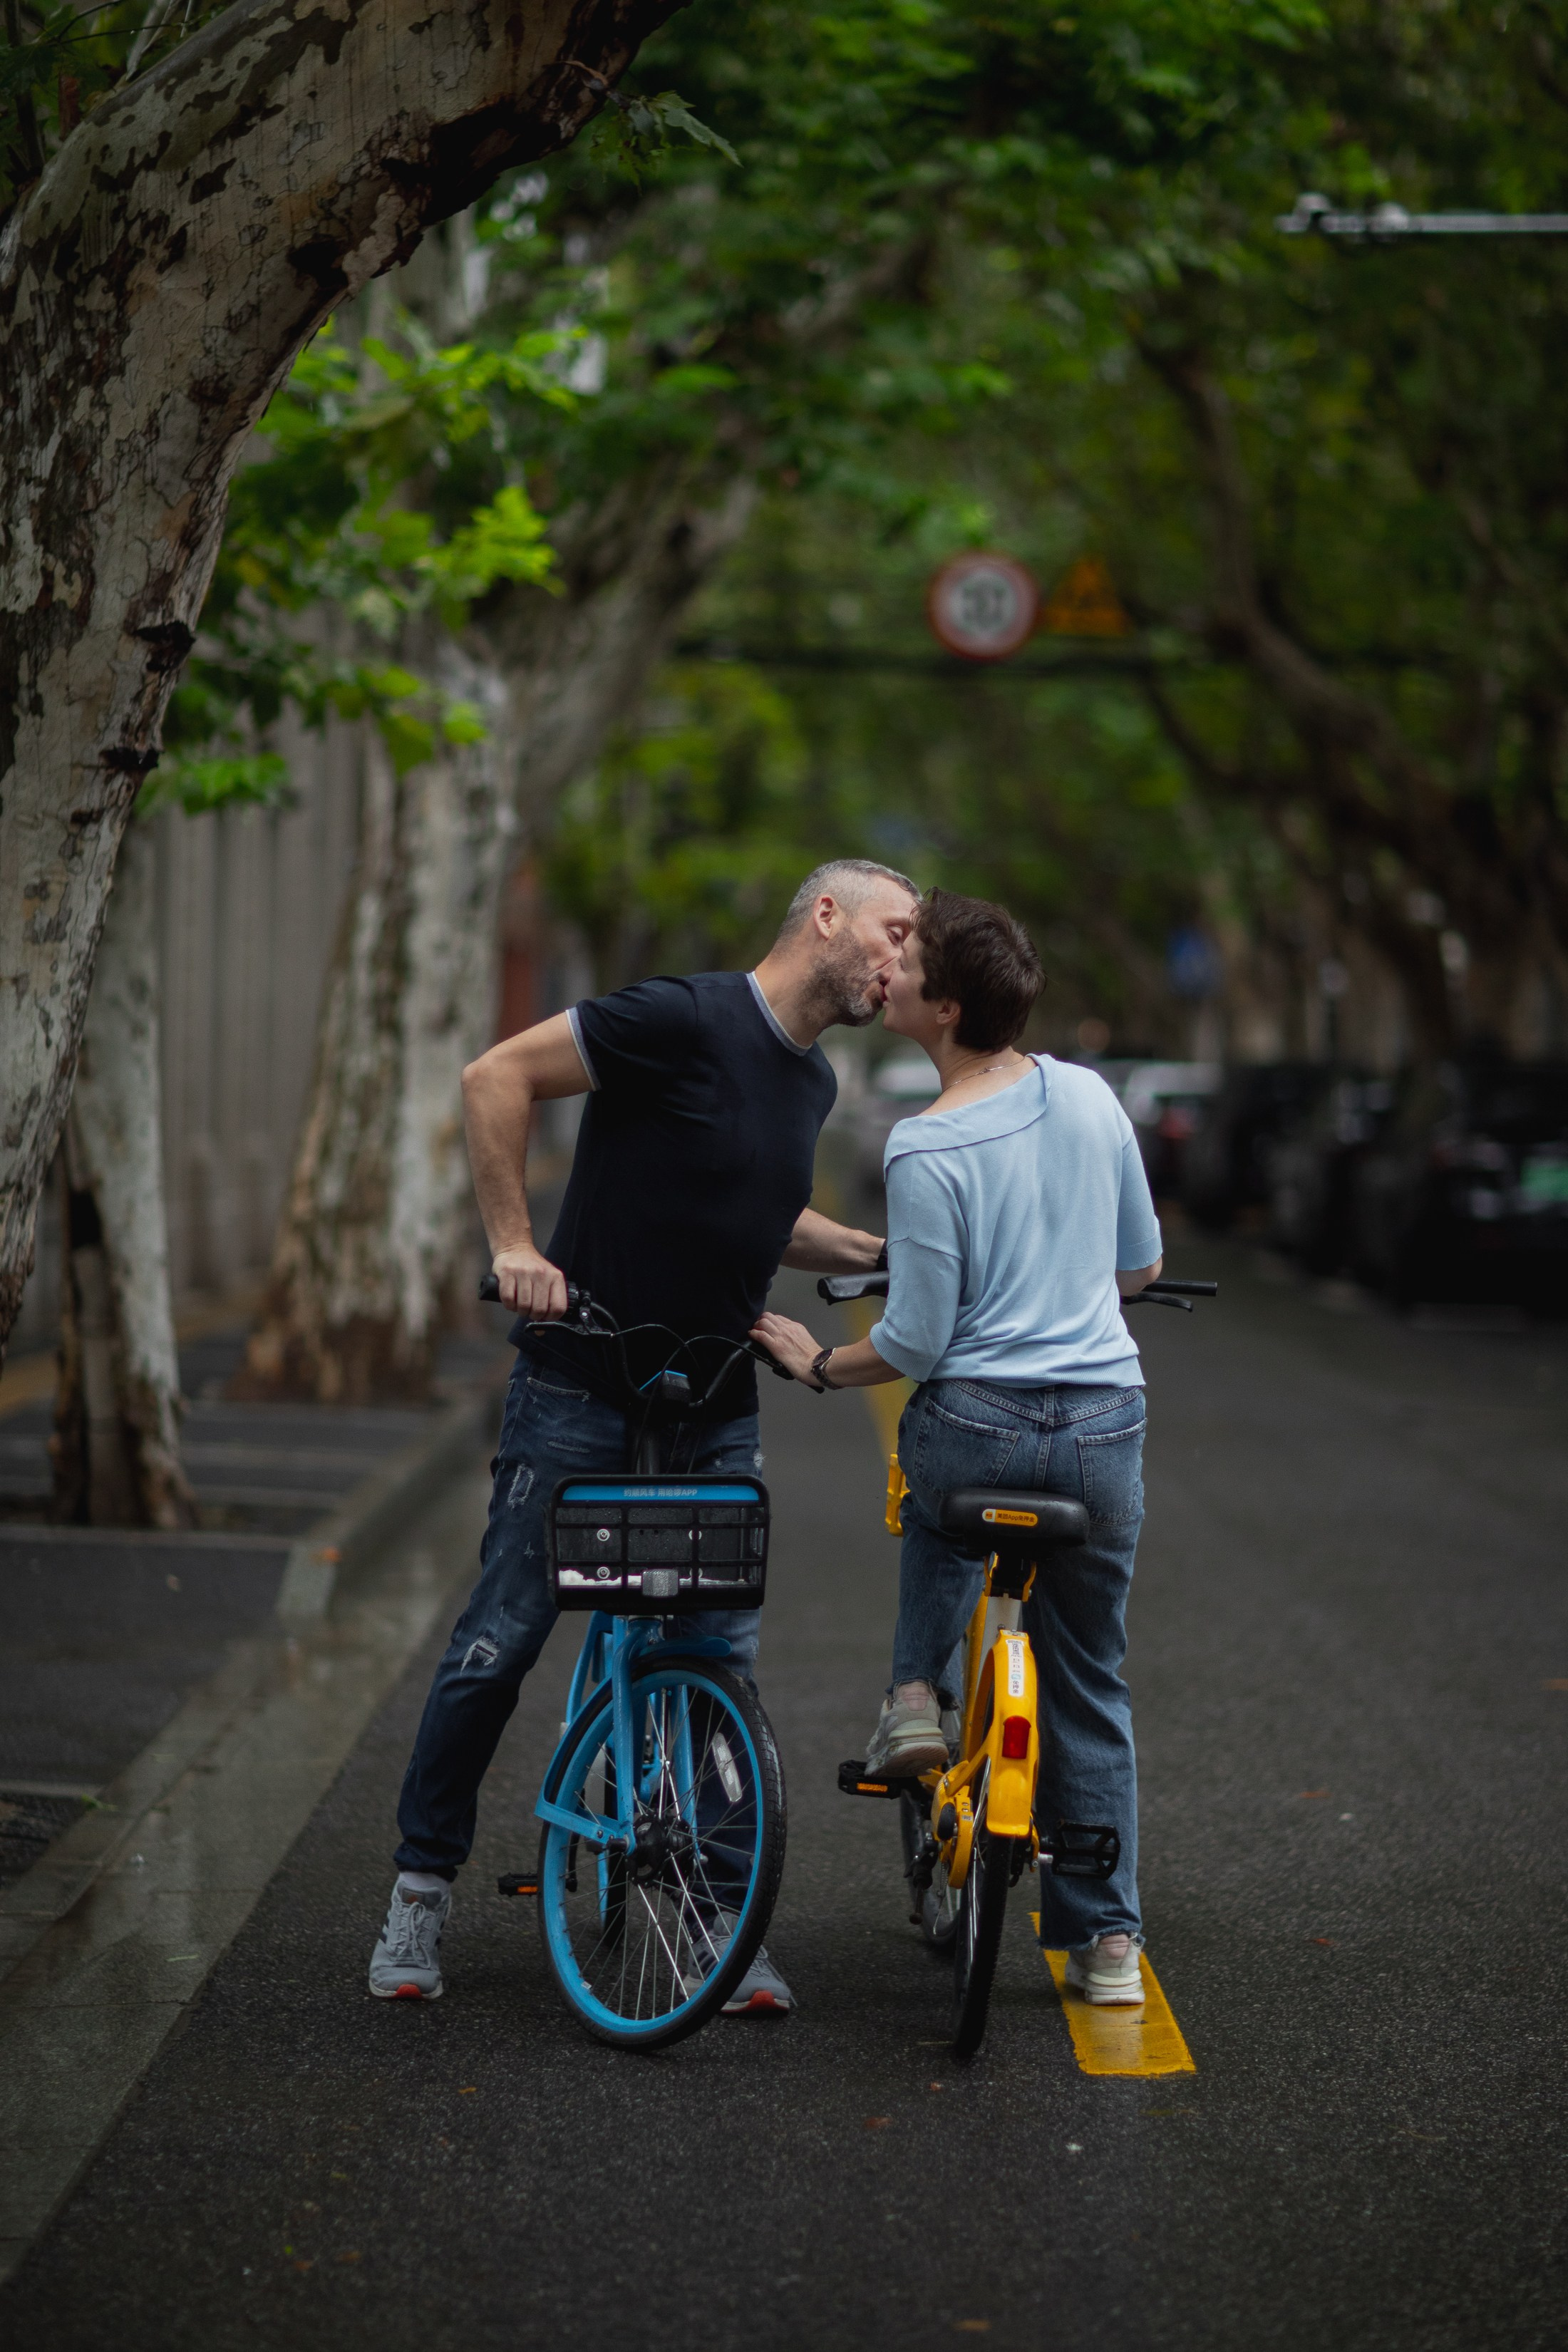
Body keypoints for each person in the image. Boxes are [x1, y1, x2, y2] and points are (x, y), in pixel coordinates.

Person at [368, 858, 919, 2012]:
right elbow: (494, 1075)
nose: (902, 962)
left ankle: (718, 1922)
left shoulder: (812, 1084)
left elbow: (764, 1216)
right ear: (827, 916)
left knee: (717, 1658)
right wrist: (517, 1246)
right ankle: (420, 1891)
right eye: (893, 932)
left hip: (714, 1401)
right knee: (501, 1641)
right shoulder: (678, 1016)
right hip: (582, 1383)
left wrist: (877, 1253)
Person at [753, 889, 1164, 2008]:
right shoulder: (1090, 1098)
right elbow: (1138, 1268)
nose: (888, 969)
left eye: (908, 959)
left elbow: (920, 1342)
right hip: (1102, 1428)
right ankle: (1110, 1946)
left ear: (943, 1006)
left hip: (978, 1423)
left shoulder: (925, 1146)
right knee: (1093, 1678)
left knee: (928, 1490)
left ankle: (915, 1702)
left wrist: (821, 1366)